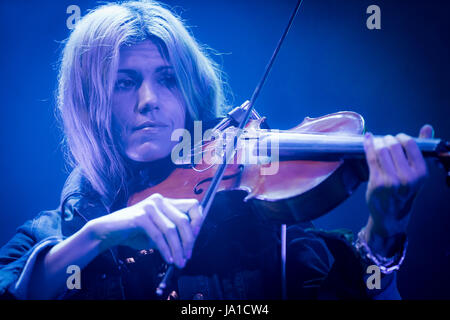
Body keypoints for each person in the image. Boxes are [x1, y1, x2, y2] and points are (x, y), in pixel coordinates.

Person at [0, 0, 434, 300]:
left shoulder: (254, 222)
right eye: (125, 82)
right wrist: (98, 234)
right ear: (87, 102)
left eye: (168, 79)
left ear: (190, 92)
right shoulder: (46, 236)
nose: (149, 99)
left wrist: (384, 232)